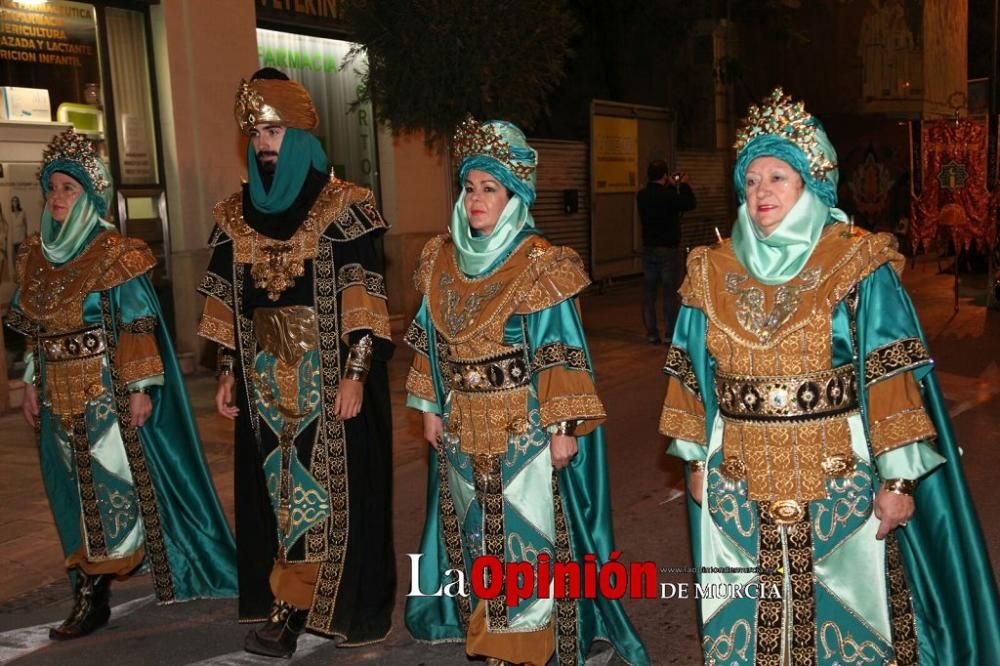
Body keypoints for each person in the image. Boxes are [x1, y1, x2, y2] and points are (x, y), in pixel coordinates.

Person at [658, 88, 1000, 665]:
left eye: (778, 177)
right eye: (752, 179)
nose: (761, 191)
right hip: (736, 478)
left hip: (839, 481)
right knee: (743, 616)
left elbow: (889, 376)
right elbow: (690, 370)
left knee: (848, 620)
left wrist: (896, 481)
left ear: (811, 186)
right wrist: (694, 460)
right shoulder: (710, 269)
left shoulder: (856, 261)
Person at [404, 116, 649, 666]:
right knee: (477, 535)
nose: (476, 200)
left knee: (526, 537)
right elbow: (427, 337)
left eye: (490, 188)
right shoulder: (439, 260)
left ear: (514, 195)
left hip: (526, 426)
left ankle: (528, 645)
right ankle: (492, 636)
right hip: (463, 422)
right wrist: (427, 405)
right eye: (469, 188)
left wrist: (564, 429)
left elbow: (559, 349)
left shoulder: (541, 263)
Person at [4, 128, 237, 640]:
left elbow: (137, 323)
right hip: (55, 393)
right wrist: (28, 382)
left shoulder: (116, 252)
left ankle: (106, 585)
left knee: (116, 485)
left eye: (69, 188)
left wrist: (139, 388)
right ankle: (88, 587)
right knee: (70, 490)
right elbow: (34, 332)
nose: (57, 198)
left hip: (105, 394)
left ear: (91, 195)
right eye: (53, 187)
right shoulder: (34, 256)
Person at [196, 68, 395, 658]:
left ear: (302, 135)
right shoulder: (234, 216)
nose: (263, 143)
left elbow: (366, 296)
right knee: (278, 493)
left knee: (333, 494)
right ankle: (287, 600)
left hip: (331, 381)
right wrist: (229, 368)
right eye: (255, 132)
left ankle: (326, 606)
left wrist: (357, 373)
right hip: (263, 384)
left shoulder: (346, 206)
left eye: (274, 130)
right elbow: (231, 300)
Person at [637, 159, 695, 344]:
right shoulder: (669, 196)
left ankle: (652, 333)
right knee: (670, 294)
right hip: (669, 250)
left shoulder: (642, 195)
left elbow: (662, 200)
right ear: (664, 175)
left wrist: (669, 186)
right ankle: (670, 334)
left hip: (649, 249)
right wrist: (683, 184)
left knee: (649, 293)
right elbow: (689, 203)